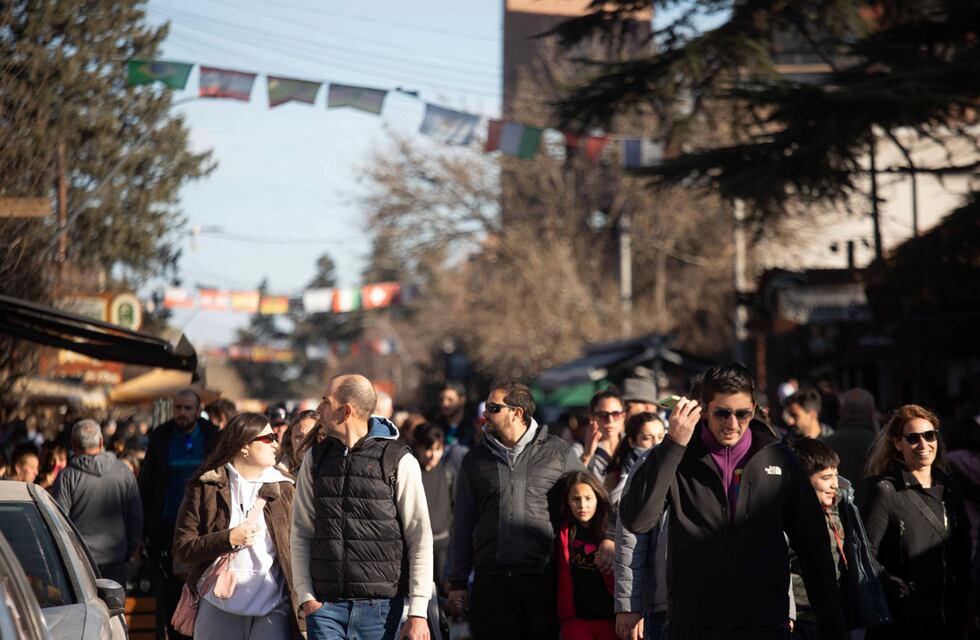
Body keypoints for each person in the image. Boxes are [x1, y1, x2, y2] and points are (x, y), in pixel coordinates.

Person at [621, 362, 847, 639]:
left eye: (742, 414)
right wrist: (672, 445)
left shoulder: (779, 459)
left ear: (753, 410)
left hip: (764, 623)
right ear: (703, 409)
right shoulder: (677, 456)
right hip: (694, 624)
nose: (732, 424)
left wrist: (832, 621)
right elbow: (637, 520)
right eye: (722, 413)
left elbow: (813, 545)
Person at [291, 374, 433, 640]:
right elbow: (300, 531)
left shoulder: (398, 460)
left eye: (325, 402)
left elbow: (419, 538)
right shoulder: (315, 458)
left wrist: (418, 612)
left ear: (346, 411)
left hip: (380, 611)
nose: (319, 409)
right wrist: (306, 597)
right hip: (325, 609)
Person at [448, 381, 584, 639]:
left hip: (543, 581)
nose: (485, 414)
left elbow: (589, 502)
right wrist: (457, 582)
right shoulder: (475, 459)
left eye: (493, 408)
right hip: (491, 583)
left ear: (517, 413)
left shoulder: (558, 453)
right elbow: (463, 523)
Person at [173, 412, 301, 639]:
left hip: (273, 605)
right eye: (268, 438)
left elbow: (300, 547)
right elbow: (183, 548)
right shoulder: (206, 486)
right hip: (218, 603)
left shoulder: (286, 488)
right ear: (244, 446)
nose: (276, 443)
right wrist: (228, 538)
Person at [862, 405, 972, 639]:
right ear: (897, 443)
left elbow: (963, 547)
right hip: (903, 620)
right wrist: (887, 580)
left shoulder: (950, 487)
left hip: (948, 616)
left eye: (929, 435)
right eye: (913, 438)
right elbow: (864, 549)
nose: (923, 445)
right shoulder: (886, 491)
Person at [789, 438, 891, 638]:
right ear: (802, 479)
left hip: (838, 614)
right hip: (804, 620)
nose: (835, 484)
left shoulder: (842, 507)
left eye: (836, 475)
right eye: (826, 477)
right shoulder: (790, 517)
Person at [140, 389, 220, 640]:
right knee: (174, 598)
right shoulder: (161, 437)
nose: (182, 413)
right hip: (168, 529)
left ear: (198, 411)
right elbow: (148, 484)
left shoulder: (212, 437)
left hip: (205, 529)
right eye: (178, 408)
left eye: (187, 408)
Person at [51, 419, 143, 589]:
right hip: (115, 562)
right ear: (101, 442)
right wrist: (125, 552)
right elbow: (135, 520)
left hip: (78, 564)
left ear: (73, 444)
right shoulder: (123, 472)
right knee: (113, 613)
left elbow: (57, 523)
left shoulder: (67, 477)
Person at [557, 471, 616, 640]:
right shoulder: (564, 532)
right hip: (576, 620)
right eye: (576, 499)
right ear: (568, 502)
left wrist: (610, 539)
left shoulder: (610, 529)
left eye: (588, 498)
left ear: (598, 498)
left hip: (609, 619)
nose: (582, 505)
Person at [412, 425, 454, 595]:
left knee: (442, 595)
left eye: (437, 449)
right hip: (417, 545)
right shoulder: (411, 472)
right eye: (428, 449)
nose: (432, 455)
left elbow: (457, 507)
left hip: (443, 544)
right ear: (419, 448)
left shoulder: (449, 473)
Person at [823, 389, 878, 506]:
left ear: (841, 412)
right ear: (871, 413)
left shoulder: (825, 445)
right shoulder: (880, 445)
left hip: (840, 514)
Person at [578, 388, 627, 479]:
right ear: (592, 418)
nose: (610, 420)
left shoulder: (634, 444)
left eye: (616, 414)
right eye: (603, 415)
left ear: (623, 417)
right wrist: (586, 455)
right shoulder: (580, 448)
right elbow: (570, 482)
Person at [277, 410, 318, 475]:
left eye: (311, 436)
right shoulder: (274, 476)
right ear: (290, 441)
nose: (305, 442)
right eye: (299, 437)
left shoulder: (333, 468)